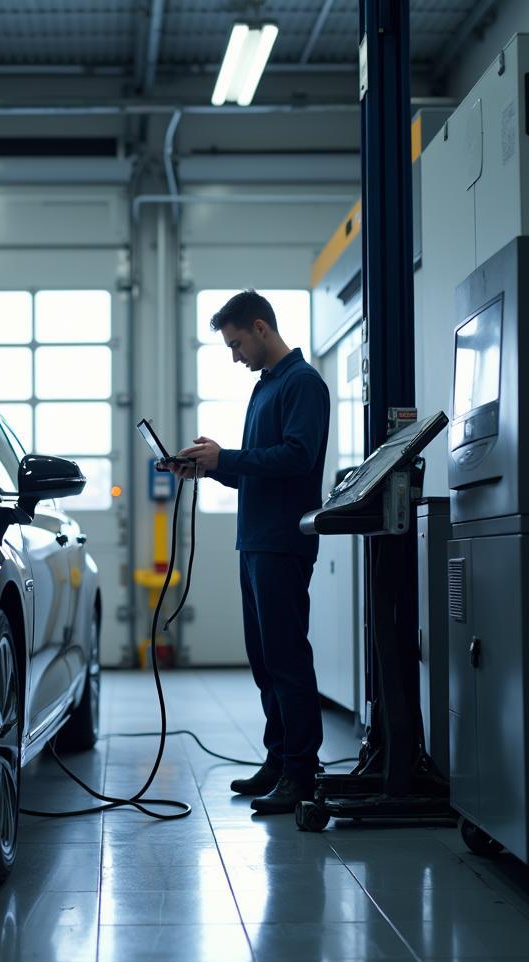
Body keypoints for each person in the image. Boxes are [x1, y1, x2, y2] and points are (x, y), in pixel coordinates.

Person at [172, 291, 330, 814]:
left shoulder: (303, 384)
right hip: (255, 541)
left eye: (237, 343)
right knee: (264, 660)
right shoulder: (265, 388)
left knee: (286, 658)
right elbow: (259, 470)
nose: (235, 355)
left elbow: (297, 457)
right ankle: (279, 757)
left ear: (261, 328)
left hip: (283, 543)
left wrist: (229, 457)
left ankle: (301, 773)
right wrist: (213, 466)